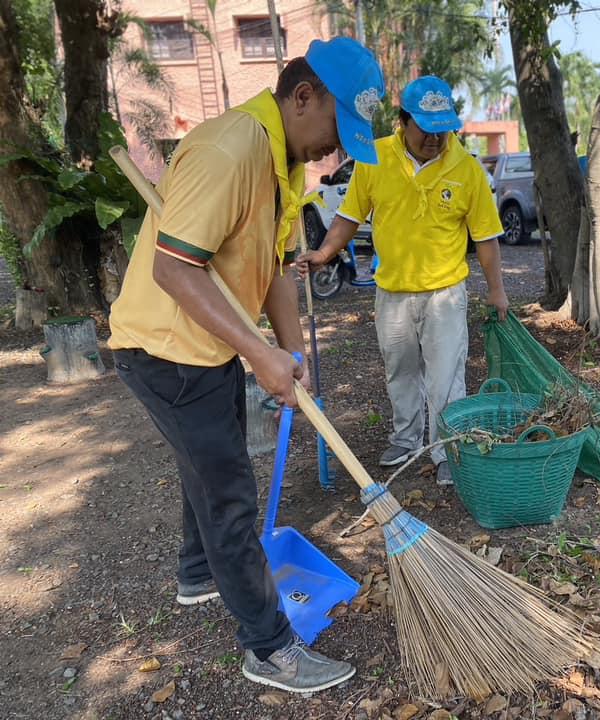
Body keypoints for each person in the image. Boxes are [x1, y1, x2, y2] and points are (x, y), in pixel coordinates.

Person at [107, 38, 384, 693]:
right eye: (336, 132)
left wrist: (290, 351)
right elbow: (174, 268)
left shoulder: (280, 159)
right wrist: (259, 353)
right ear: (303, 96)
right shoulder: (229, 150)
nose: (334, 151)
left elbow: (276, 272)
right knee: (230, 496)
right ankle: (270, 649)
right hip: (165, 352)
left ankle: (199, 574)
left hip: (208, 348)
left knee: (208, 465)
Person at [297, 76, 508, 485]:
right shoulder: (374, 158)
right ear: (402, 121)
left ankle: (447, 450)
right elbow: (348, 216)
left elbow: (486, 237)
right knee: (400, 370)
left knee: (446, 375)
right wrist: (324, 254)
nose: (435, 138)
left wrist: (497, 290)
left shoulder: (466, 169)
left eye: (442, 129)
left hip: (445, 292)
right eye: (426, 129)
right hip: (392, 291)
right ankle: (406, 438)